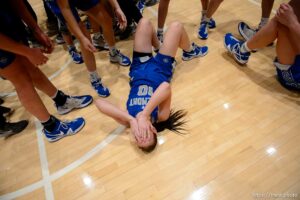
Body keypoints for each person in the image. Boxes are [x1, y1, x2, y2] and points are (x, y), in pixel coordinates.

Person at [95, 18, 208, 152]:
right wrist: (144, 115)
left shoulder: (127, 119)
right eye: (146, 136)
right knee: (176, 26)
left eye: (138, 139)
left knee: (144, 23)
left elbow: (99, 103)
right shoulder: (160, 116)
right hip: (161, 67)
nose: (141, 135)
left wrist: (131, 120)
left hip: (139, 66)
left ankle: (157, 46)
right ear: (153, 130)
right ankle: (189, 50)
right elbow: (165, 87)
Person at [0, 0, 93, 142]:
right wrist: (28, 52)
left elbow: (17, 2)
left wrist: (36, 30)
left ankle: (61, 101)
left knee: (30, 68)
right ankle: (51, 127)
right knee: (21, 80)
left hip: (7, 23)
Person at [57, 0, 131, 97]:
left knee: (106, 19)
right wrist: (82, 38)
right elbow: (65, 8)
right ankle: (94, 78)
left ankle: (113, 53)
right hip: (61, 4)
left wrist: (117, 8)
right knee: (84, 36)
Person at [224, 1, 300, 90]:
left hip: (294, 77)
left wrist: (292, 23)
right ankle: (261, 36)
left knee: (282, 21)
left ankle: (242, 50)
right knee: (294, 6)